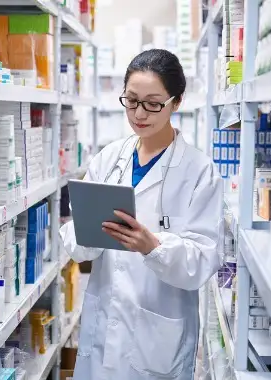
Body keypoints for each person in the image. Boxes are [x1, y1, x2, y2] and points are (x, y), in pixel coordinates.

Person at [59, 49, 224, 380]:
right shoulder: (108, 159)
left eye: (153, 103)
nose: (139, 113)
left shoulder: (199, 171)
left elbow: (203, 261)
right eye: (131, 100)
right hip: (105, 323)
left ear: (176, 103)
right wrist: (87, 233)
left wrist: (154, 247)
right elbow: (77, 240)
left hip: (157, 335)